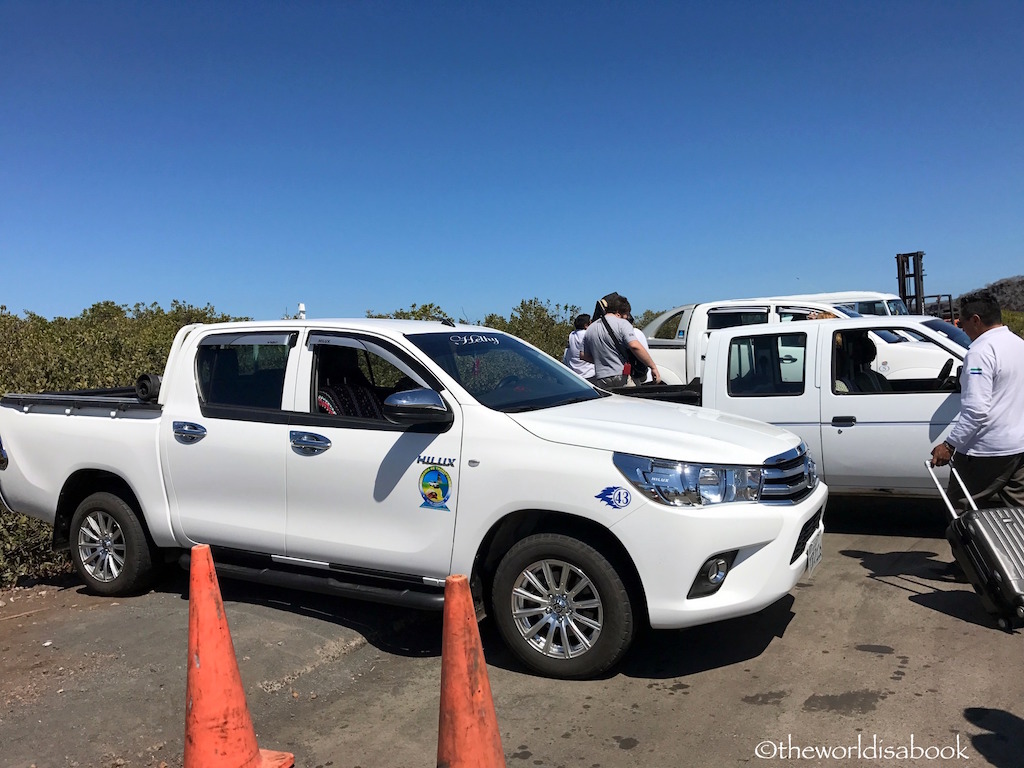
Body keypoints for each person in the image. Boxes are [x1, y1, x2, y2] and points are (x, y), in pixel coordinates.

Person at [929, 291, 1024, 509]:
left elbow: (976, 410)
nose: (962, 329)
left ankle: (967, 545)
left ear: (976, 320)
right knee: (1020, 514)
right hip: (1019, 447)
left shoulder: (980, 352)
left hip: (987, 450)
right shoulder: (1018, 344)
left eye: (962, 323)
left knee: (961, 511)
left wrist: (950, 445)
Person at [582, 293, 660, 388]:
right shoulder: (622, 324)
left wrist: (604, 360)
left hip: (602, 377)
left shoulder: (591, 328)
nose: (627, 317)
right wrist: (652, 366)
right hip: (622, 374)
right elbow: (634, 346)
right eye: (626, 313)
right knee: (632, 401)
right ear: (619, 312)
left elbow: (584, 355)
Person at [562, 313, 595, 379]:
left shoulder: (572, 334)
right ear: (586, 325)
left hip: (574, 373)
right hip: (588, 373)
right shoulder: (587, 334)